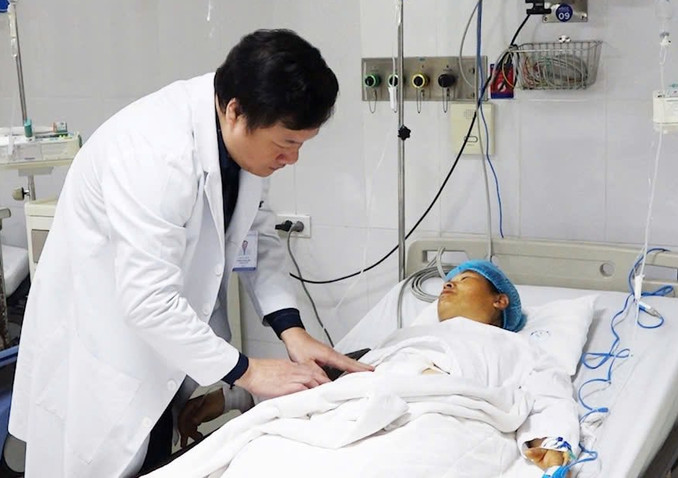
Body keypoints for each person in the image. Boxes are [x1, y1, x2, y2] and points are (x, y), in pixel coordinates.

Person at [8, 29, 372, 478]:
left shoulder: (238, 144)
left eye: (301, 144)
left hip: (160, 354)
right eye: (286, 143)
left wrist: (291, 329)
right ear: (235, 111)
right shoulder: (155, 154)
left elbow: (256, 239)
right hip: (104, 355)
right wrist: (248, 372)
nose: (292, 159)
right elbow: (148, 301)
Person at [176, 260, 579, 476]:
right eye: (449, 278)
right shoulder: (400, 338)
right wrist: (232, 397)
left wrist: (551, 445)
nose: (449, 283)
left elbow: (549, 394)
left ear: (500, 301)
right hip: (352, 407)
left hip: (443, 413)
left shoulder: (517, 347)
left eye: (466, 277)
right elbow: (325, 379)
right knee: (266, 460)